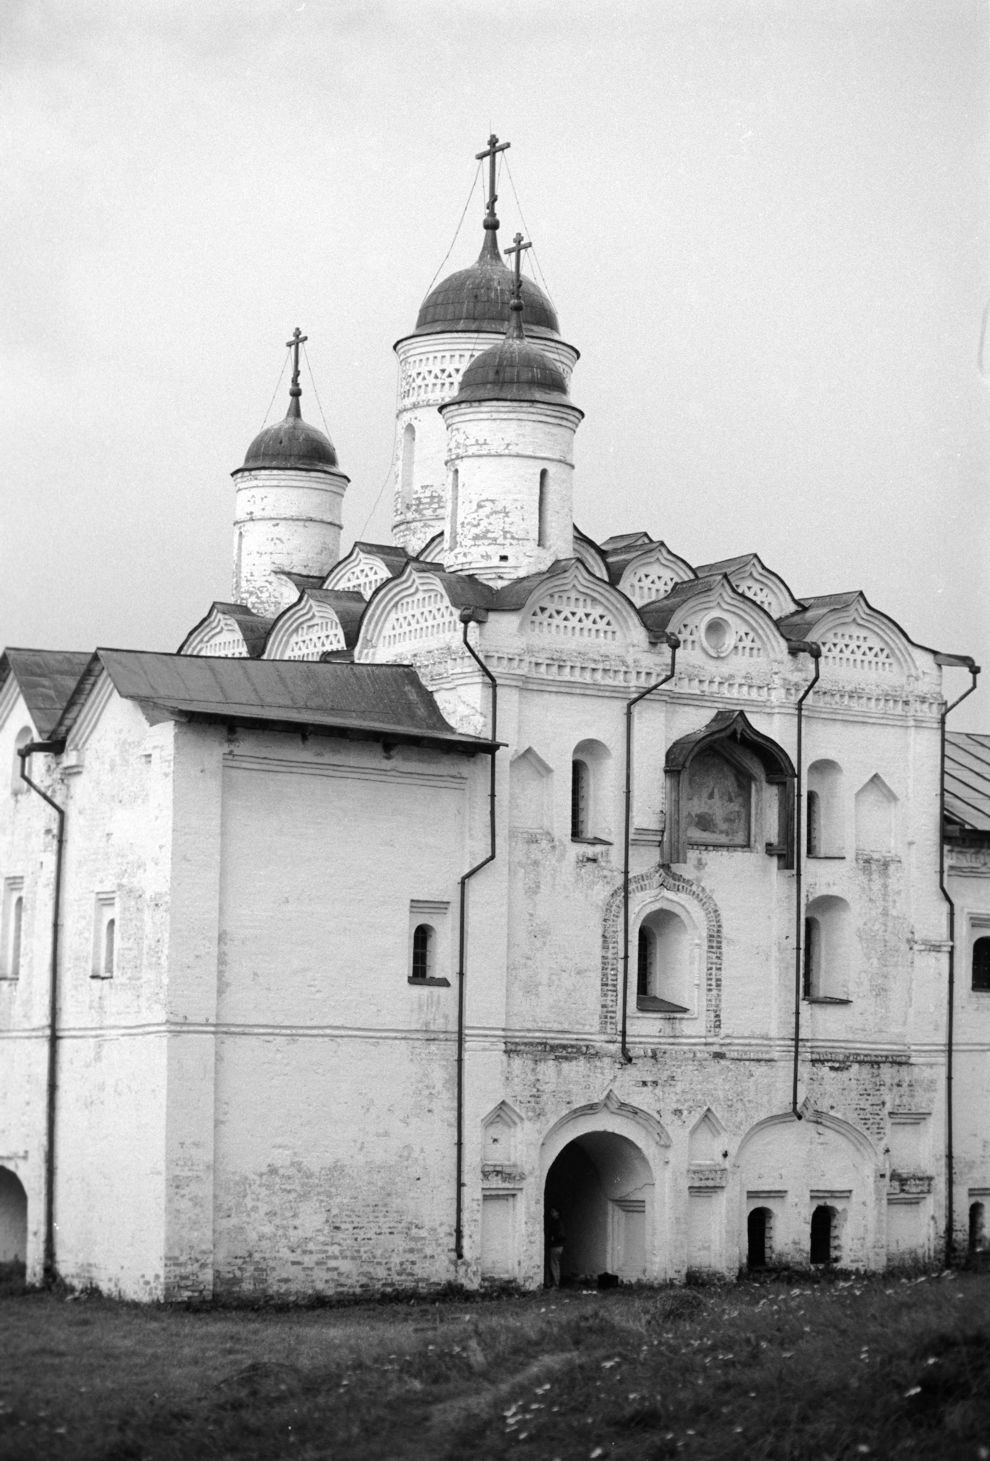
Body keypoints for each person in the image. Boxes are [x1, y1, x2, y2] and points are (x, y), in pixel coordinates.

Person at [546, 1207, 565, 1287]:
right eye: (551, 1212)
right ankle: (551, 1282)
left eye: (553, 1212)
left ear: (558, 1213)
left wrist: (553, 1238)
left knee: (554, 1264)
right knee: (553, 1263)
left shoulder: (558, 1223)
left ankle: (555, 1283)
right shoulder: (555, 1222)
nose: (552, 1213)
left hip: (556, 1246)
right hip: (556, 1245)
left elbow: (561, 1235)